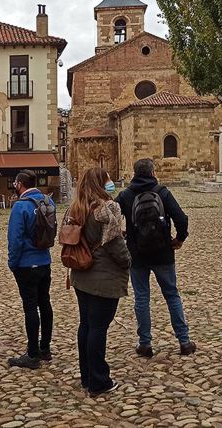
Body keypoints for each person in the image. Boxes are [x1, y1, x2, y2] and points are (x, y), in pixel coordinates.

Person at [116, 158, 196, 357]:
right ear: (153, 173)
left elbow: (111, 218)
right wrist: (179, 239)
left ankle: (145, 343)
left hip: (137, 254)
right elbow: (181, 218)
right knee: (172, 295)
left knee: (141, 298)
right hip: (163, 253)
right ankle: (184, 341)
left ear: (134, 173)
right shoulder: (162, 192)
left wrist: (123, 234)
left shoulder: (126, 195)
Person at [68, 168, 131, 397]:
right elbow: (116, 245)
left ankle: (87, 376)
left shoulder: (77, 208)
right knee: (98, 328)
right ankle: (98, 381)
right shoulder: (105, 209)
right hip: (103, 278)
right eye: (107, 180)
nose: (110, 183)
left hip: (80, 274)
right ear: (100, 183)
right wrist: (127, 261)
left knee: (86, 325)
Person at [7, 170, 55, 369]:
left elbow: (15, 238)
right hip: (44, 260)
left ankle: (32, 353)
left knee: (30, 306)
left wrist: (12, 262)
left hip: (26, 263)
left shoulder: (21, 206)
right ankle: (45, 348)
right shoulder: (48, 202)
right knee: (45, 303)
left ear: (19, 184)